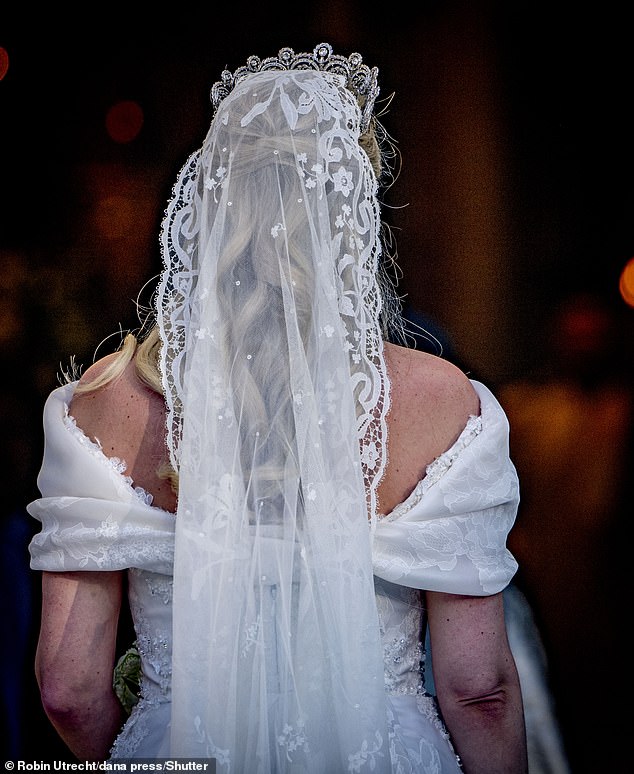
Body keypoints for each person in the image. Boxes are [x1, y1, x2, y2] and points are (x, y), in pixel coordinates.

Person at [28, 43, 528, 772]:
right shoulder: (441, 403)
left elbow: (69, 689)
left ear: (209, 200)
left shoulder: (105, 403)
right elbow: (478, 689)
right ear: (354, 211)